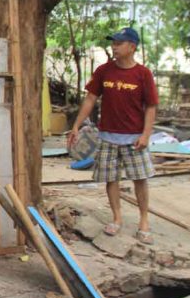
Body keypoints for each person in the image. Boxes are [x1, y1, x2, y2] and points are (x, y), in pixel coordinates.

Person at [67, 27, 158, 245]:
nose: (114, 47)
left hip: (134, 137)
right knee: (111, 179)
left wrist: (146, 134)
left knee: (139, 179)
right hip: (107, 136)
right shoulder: (104, 71)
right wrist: (76, 125)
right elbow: (90, 99)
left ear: (132, 47)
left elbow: (151, 106)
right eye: (113, 43)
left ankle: (144, 220)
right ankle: (117, 218)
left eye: (119, 43)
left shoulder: (143, 74)